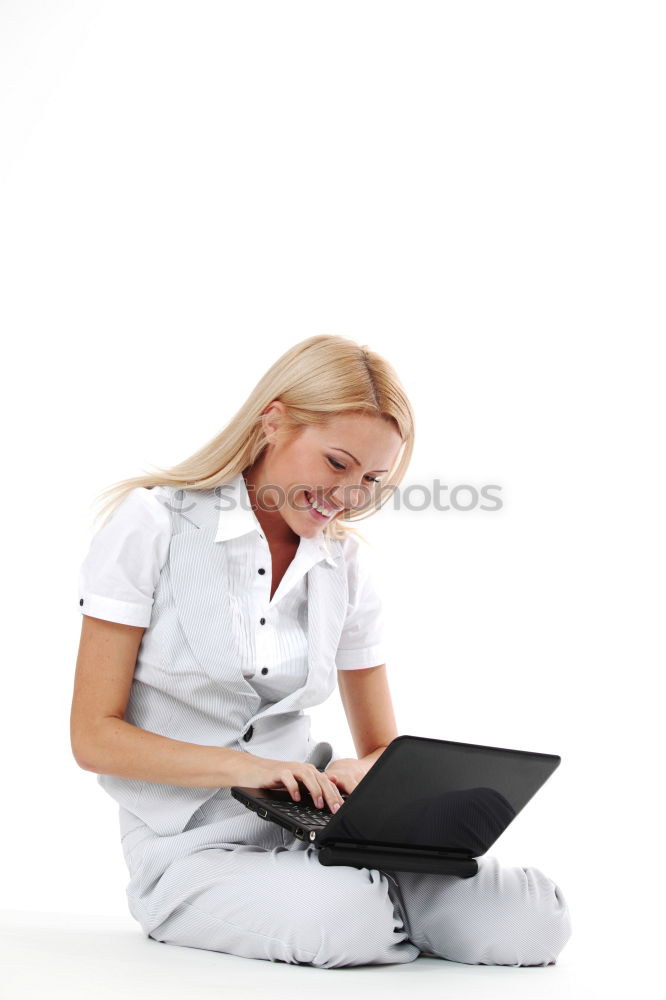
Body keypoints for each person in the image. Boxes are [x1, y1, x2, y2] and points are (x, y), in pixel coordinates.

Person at [70, 333, 572, 969]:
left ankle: (384, 895)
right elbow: (94, 736)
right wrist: (247, 769)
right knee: (349, 918)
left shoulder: (344, 563)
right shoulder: (152, 526)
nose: (350, 496)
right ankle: (384, 907)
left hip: (318, 831)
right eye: (337, 464)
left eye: (371, 479)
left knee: (528, 920)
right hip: (188, 850)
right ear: (273, 420)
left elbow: (382, 747)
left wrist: (365, 777)